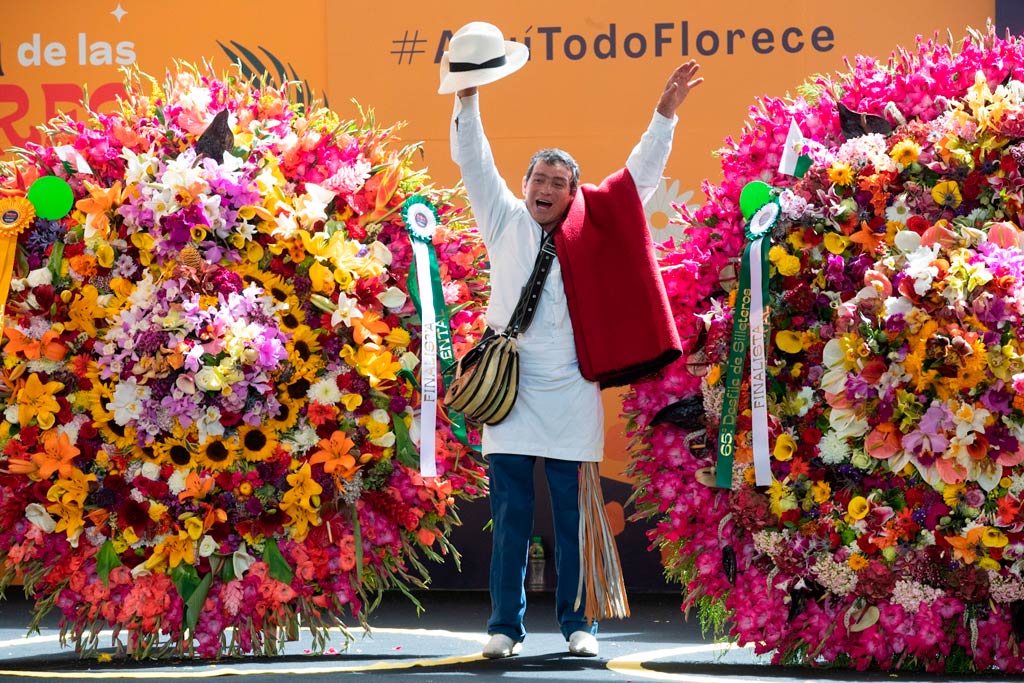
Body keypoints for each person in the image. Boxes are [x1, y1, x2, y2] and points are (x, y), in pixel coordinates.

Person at [442, 21, 703, 659]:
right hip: (510, 387)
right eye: (539, 179)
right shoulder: (501, 216)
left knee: (571, 516)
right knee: (508, 516)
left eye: (559, 183)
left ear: (571, 193)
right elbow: (473, 157)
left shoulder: (592, 226)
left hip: (572, 387)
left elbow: (637, 179)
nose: (546, 190)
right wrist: (468, 93)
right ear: (525, 186)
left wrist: (663, 117)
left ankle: (576, 624)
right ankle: (504, 629)